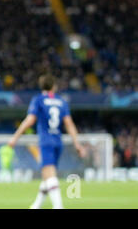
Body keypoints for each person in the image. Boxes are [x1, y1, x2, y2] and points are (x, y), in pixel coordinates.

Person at [8, 74, 85, 209]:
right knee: (47, 175)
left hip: (46, 141)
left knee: (49, 175)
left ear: (41, 86)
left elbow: (30, 120)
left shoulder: (38, 100)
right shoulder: (61, 101)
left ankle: (58, 206)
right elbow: (69, 123)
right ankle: (36, 205)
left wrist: (15, 137)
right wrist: (77, 143)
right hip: (57, 142)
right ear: (54, 86)